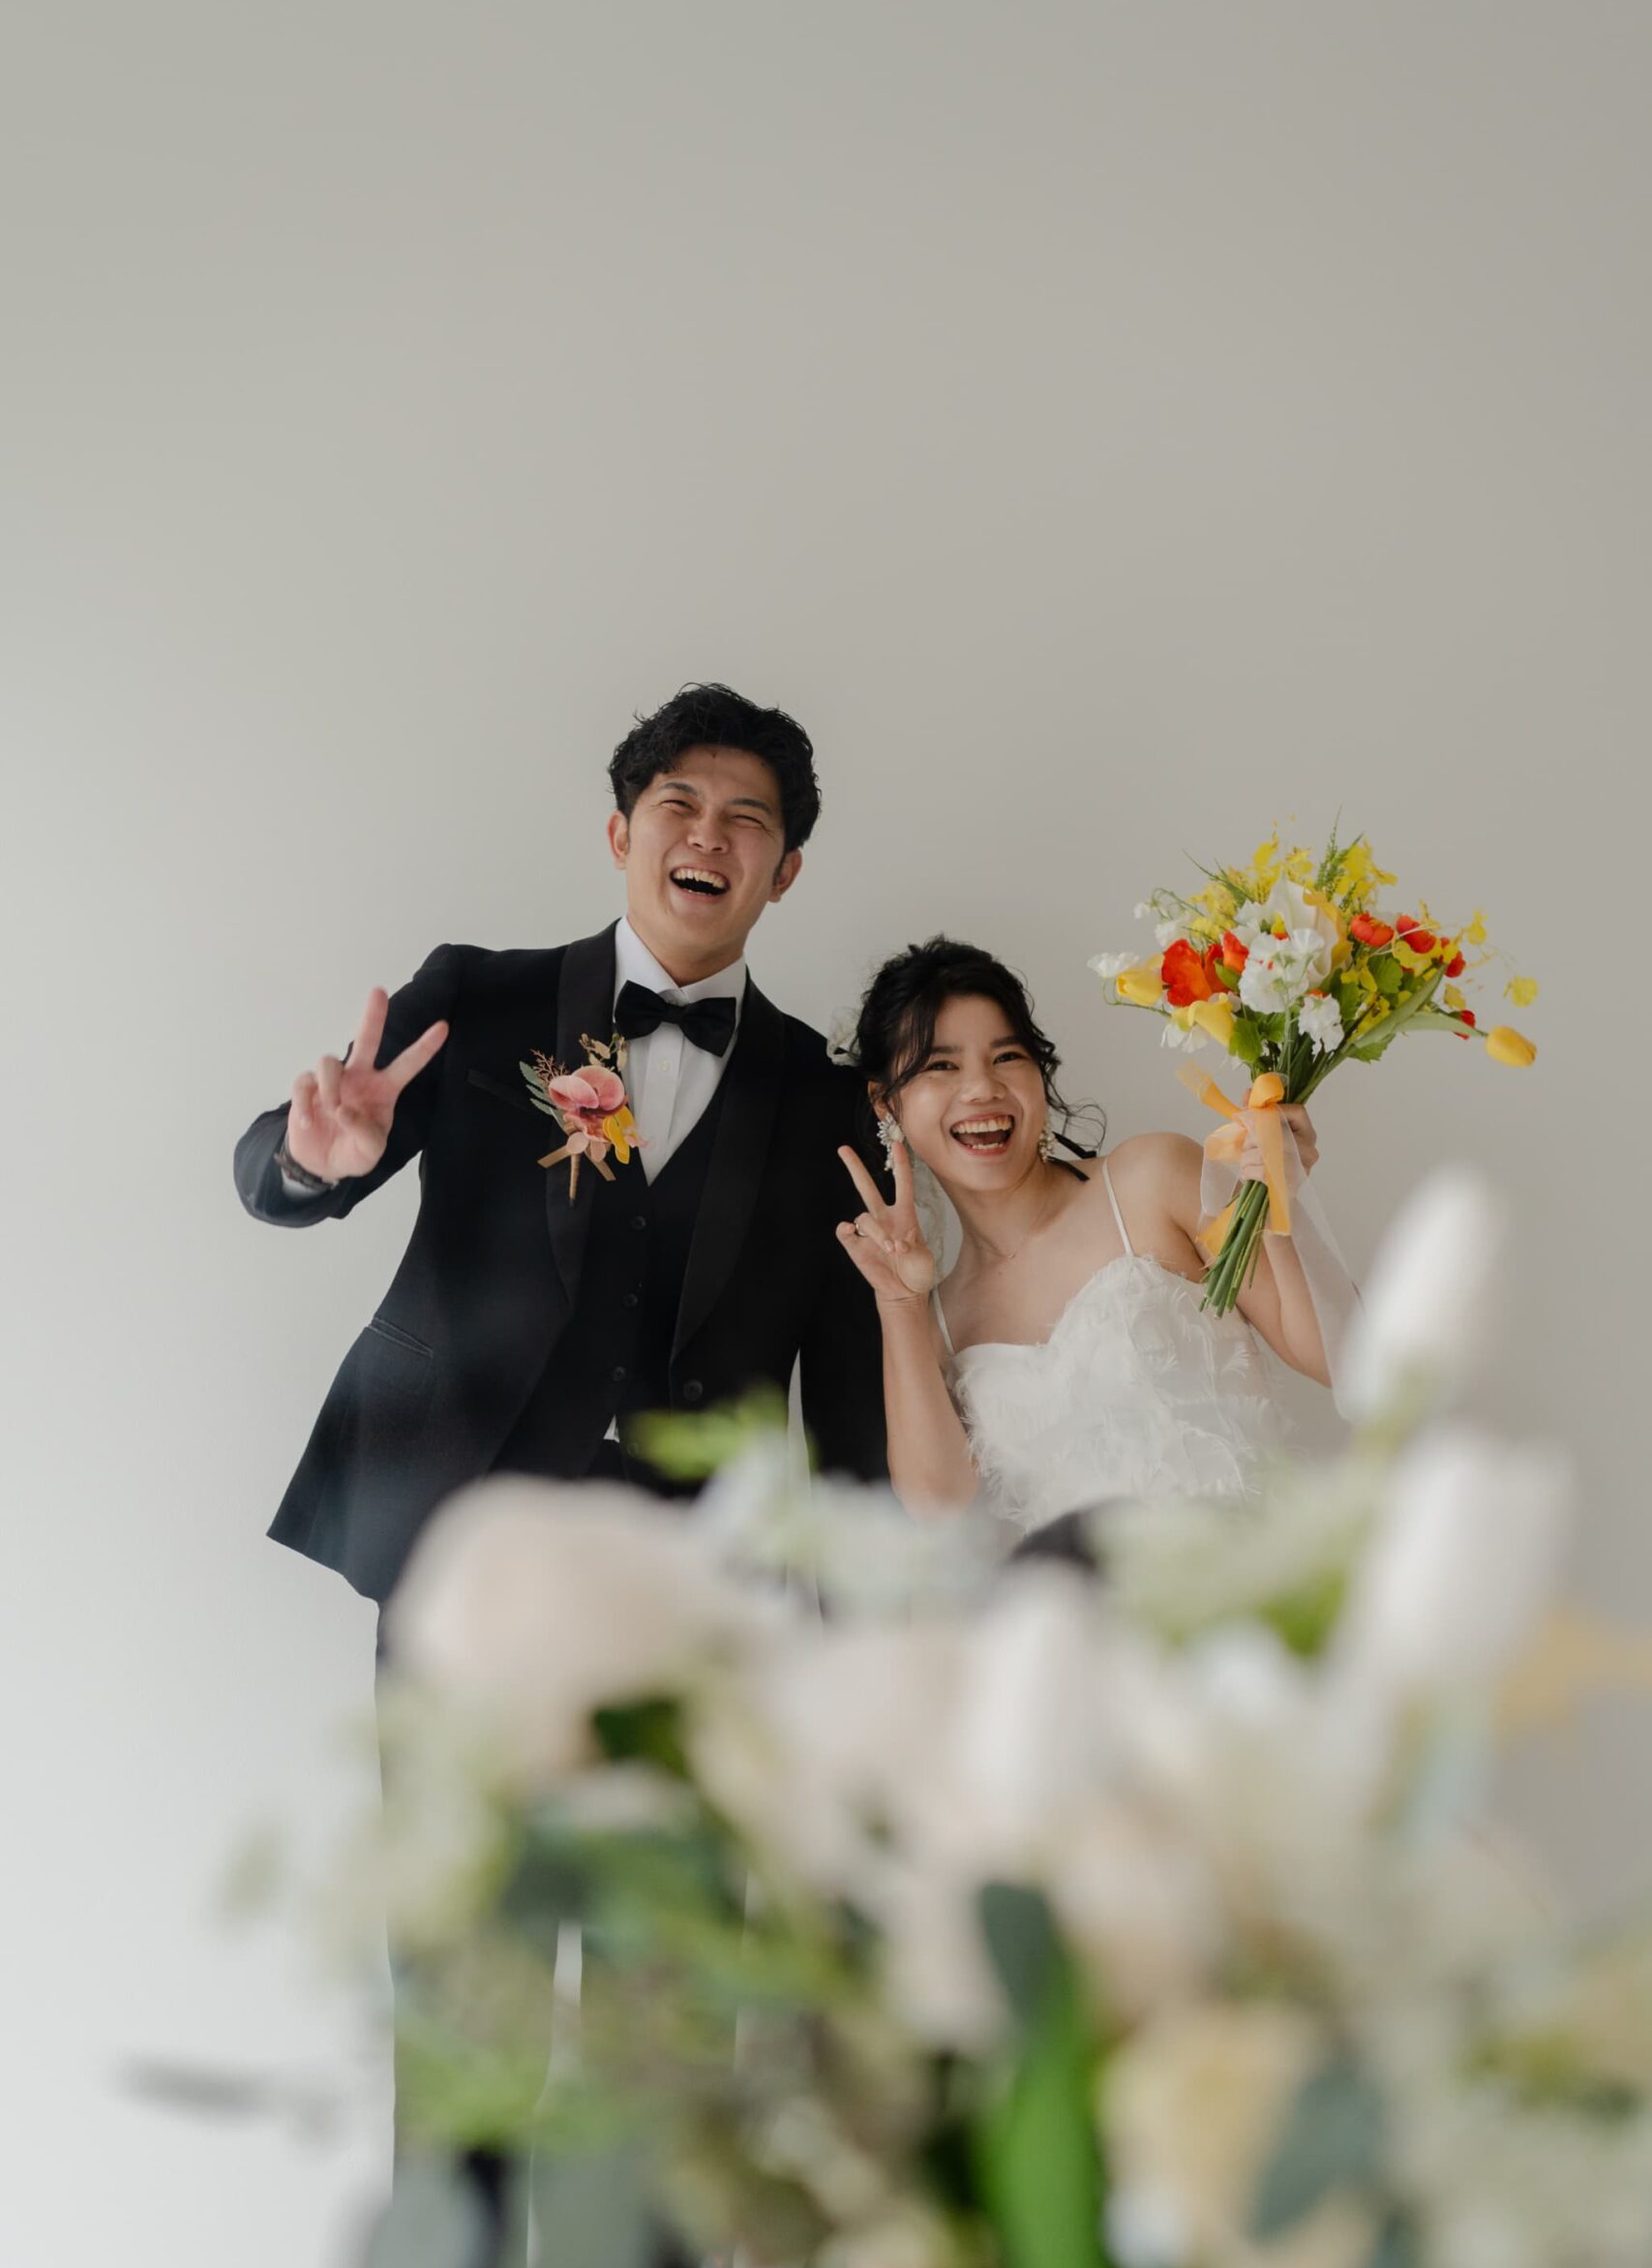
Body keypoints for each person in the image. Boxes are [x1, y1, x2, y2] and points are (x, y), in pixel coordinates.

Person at [235, 681, 887, 1609]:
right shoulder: (477, 998)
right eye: (678, 805)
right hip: (452, 1520)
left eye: (746, 819)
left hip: (696, 1569)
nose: (707, 836)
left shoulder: (829, 1095)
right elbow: (271, 1174)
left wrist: (866, 1609)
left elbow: (847, 1391)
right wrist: (309, 1163)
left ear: (784, 872)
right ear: (620, 836)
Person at [832, 937, 1331, 1534]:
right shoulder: (938, 1319)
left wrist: (1280, 1200)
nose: (982, 1088)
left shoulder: (1152, 1179)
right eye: (942, 1066)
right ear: (886, 1104)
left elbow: (1335, 1358)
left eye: (1006, 1056)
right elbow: (938, 1510)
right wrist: (900, 1304)